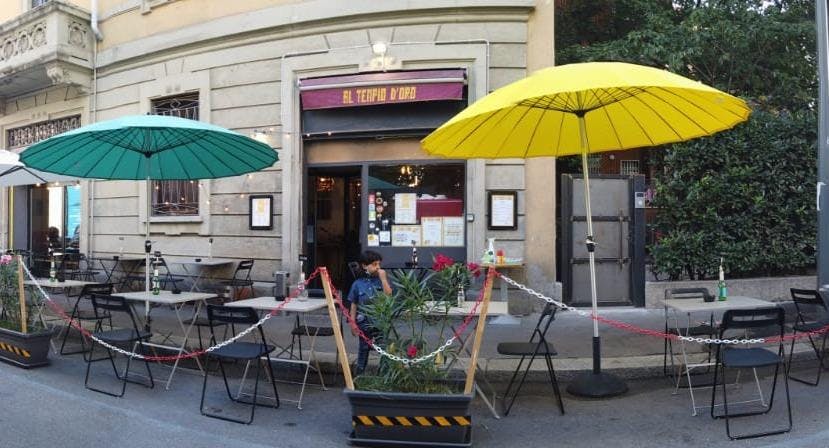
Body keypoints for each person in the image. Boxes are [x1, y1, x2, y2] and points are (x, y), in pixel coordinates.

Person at [348, 250, 392, 375]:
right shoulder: (357, 284)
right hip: (363, 322)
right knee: (363, 348)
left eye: (379, 264)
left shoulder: (381, 281)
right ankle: (360, 375)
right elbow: (354, 304)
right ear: (364, 266)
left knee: (384, 349)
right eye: (374, 264)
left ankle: (384, 376)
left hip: (380, 321)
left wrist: (383, 279)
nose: (378, 267)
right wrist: (352, 323)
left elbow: (388, 295)